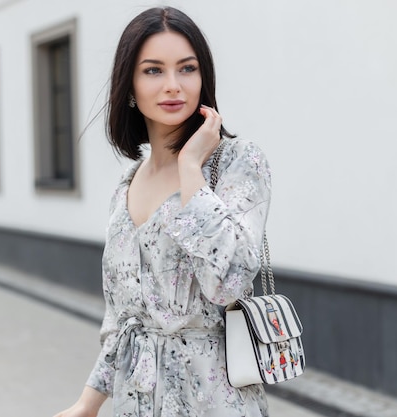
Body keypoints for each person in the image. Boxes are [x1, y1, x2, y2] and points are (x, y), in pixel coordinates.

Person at [54, 6, 271, 417]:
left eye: (186, 69)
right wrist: (87, 403)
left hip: (214, 400)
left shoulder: (238, 163)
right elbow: (122, 320)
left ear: (202, 78)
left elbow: (229, 282)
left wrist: (191, 170)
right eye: (154, 70)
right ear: (130, 86)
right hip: (136, 402)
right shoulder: (126, 186)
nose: (173, 85)